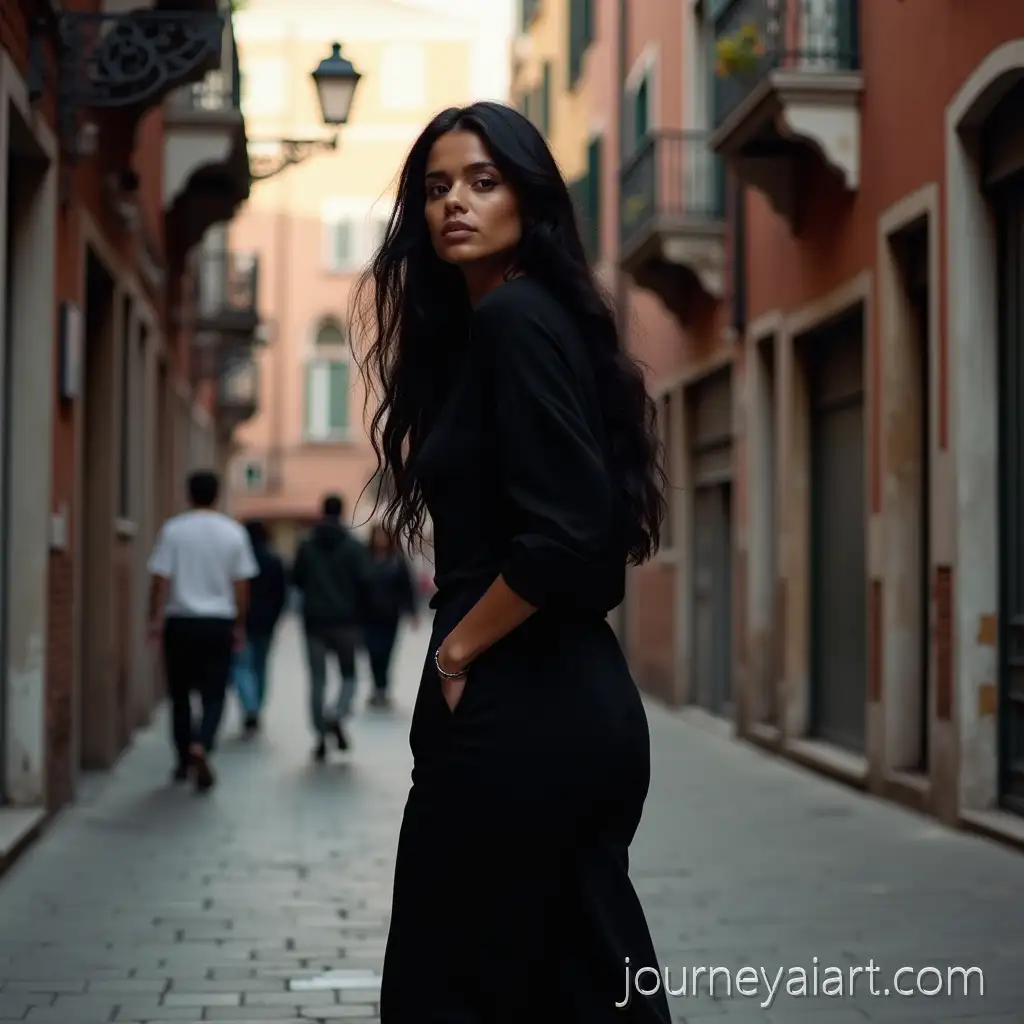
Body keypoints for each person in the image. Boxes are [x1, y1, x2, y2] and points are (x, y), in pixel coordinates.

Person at [352, 102, 672, 1021]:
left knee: (446, 988)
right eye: (437, 186)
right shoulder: (520, 322)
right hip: (564, 704)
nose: (454, 201)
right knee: (580, 976)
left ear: (531, 200)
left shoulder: (516, 322)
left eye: (483, 182)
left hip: (519, 711)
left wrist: (456, 652)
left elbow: (572, 536)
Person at [146, 470, 258, 792]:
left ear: (188, 494)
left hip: (180, 622)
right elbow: (241, 585)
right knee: (214, 692)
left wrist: (154, 619)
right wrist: (239, 625)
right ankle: (203, 744)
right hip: (218, 623)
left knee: (179, 694)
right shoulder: (233, 533)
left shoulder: (174, 530)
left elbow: (160, 579)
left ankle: (182, 758)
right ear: (218, 494)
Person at [291, 494, 368, 761]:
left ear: (321, 511)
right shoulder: (354, 547)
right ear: (342, 511)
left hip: (314, 622)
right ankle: (337, 713)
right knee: (349, 676)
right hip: (347, 622)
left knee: (317, 680)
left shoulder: (306, 545)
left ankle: (320, 735)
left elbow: (297, 580)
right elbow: (365, 582)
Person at [232, 519, 288, 735]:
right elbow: (282, 593)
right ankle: (256, 708)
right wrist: (275, 617)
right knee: (260, 666)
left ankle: (250, 707)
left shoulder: (240, 560)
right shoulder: (274, 560)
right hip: (266, 622)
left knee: (241, 666)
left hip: (243, 620)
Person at [362, 522, 418, 709]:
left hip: (390, 615)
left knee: (386, 652)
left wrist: (412, 612)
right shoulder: (364, 559)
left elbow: (408, 588)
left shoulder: (397, 561)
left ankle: (382, 689)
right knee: (372, 652)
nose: (381, 540)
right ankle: (376, 686)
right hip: (368, 616)